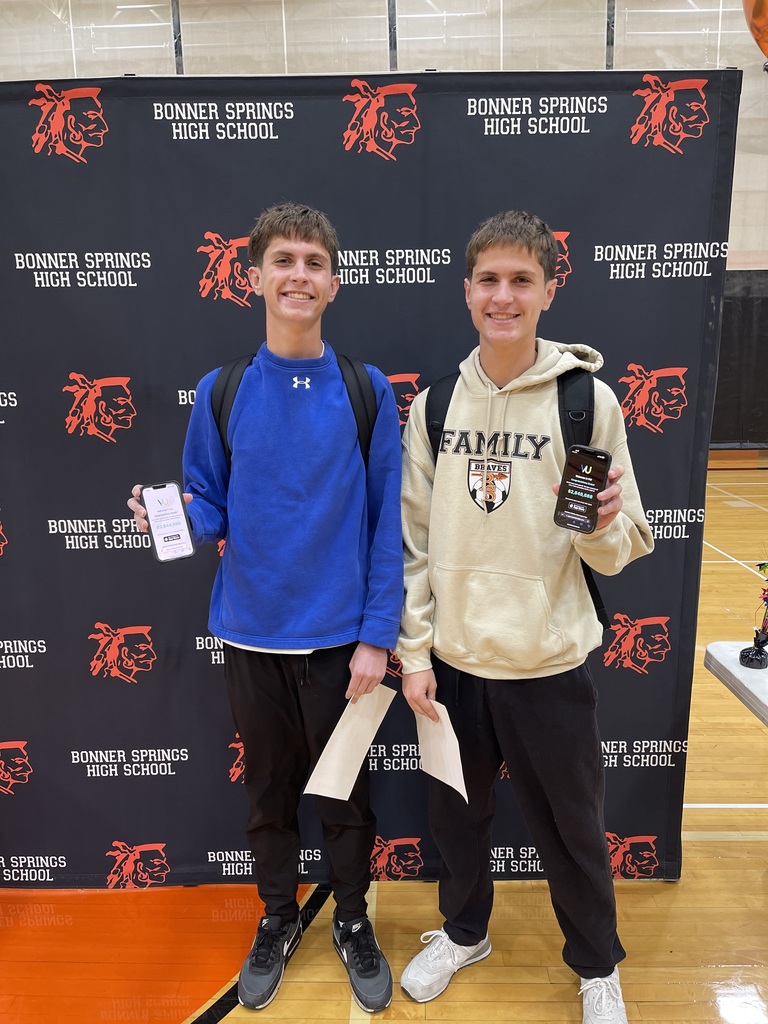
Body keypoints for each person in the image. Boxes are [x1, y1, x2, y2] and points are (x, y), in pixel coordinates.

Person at [128, 202, 402, 1013]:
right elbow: (210, 509)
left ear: (335, 282)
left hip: (341, 649)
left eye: (314, 262)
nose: (298, 275)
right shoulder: (222, 392)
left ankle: (352, 918)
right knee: (269, 795)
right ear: (254, 278)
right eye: (283, 260)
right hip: (250, 639)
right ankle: (279, 917)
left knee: (346, 797)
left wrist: (376, 637)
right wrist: (169, 519)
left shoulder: (367, 391)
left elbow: (391, 522)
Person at [396, 209, 654, 1024]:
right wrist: (415, 652)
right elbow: (413, 543)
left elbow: (620, 548)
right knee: (456, 821)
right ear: (467, 291)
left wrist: (607, 520)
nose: (503, 296)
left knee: (574, 828)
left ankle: (597, 966)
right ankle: (465, 932)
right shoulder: (435, 406)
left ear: (549, 290)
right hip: (459, 663)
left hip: (550, 663)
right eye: (488, 280)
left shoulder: (586, 402)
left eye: (521, 281)